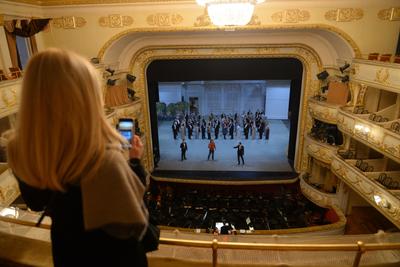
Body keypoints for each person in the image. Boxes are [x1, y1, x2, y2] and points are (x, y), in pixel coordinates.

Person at [6, 48, 150, 267]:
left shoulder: (21, 149)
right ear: (84, 95)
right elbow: (135, 225)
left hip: (67, 250)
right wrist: (135, 162)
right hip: (113, 257)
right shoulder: (102, 159)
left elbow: (35, 203)